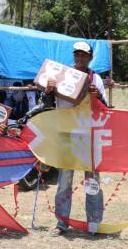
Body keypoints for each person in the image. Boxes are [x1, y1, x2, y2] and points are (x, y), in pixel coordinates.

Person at [46, 41, 109, 236]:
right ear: (73, 56)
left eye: (84, 55)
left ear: (90, 58)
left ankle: (93, 223)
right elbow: (48, 103)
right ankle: (61, 222)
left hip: (89, 136)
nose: (80, 58)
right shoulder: (60, 76)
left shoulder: (95, 78)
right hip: (66, 134)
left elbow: (105, 108)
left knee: (92, 181)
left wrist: (97, 95)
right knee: (64, 181)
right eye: (77, 54)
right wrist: (48, 91)